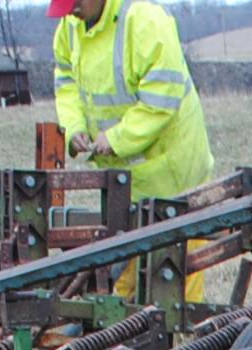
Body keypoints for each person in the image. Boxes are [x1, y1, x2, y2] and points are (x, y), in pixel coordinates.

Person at [49, 0, 214, 204]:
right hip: (121, 182)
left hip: (172, 174)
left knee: (188, 231)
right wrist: (74, 127)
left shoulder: (146, 21)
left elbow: (161, 101)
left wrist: (116, 139)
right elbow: (66, 82)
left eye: (76, 2)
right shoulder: (70, 26)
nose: (71, 11)